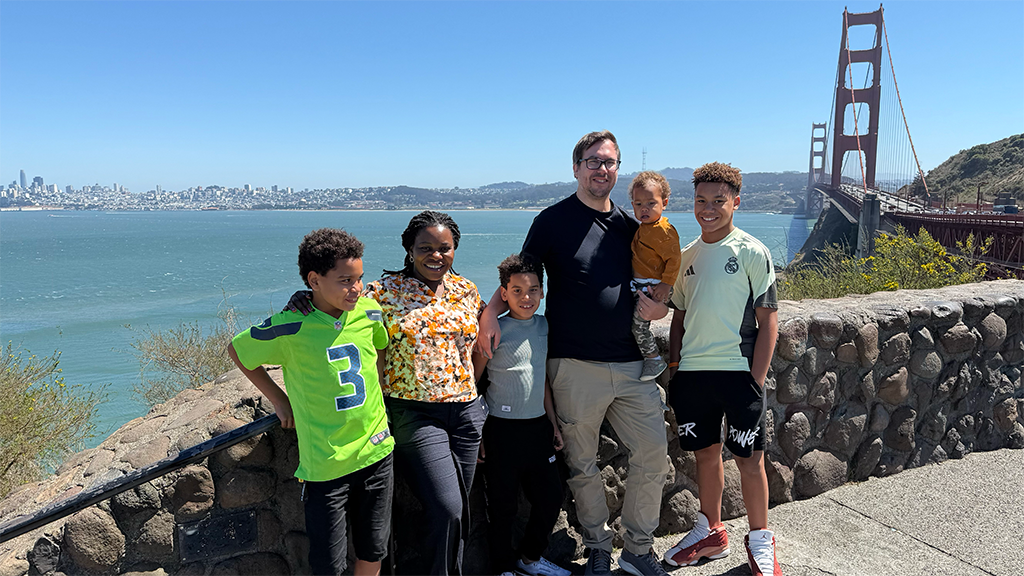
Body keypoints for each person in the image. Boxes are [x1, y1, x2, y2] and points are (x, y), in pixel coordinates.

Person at [479, 131, 670, 576]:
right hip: (573, 365)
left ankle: (639, 551)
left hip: (631, 364)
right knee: (582, 464)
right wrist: (490, 312)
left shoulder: (631, 226)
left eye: (609, 162)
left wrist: (662, 303)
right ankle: (599, 548)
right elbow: (520, 274)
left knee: (653, 454)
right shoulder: (552, 220)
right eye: (592, 161)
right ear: (576, 167)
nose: (601, 169)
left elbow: (656, 278)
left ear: (617, 170)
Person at [228, 228, 394, 576]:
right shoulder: (292, 324)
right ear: (314, 281)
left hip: (377, 451)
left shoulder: (370, 311)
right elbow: (238, 350)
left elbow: (379, 346)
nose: (356, 288)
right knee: (328, 564)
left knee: (373, 549)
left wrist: (378, 378)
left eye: (360, 278)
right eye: (345, 280)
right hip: (325, 465)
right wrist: (278, 398)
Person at [661, 162, 782, 576]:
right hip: (694, 375)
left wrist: (756, 381)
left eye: (718, 200)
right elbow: (678, 319)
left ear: (736, 202)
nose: (708, 208)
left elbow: (769, 322)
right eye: (700, 200)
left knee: (750, 459)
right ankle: (710, 532)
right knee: (706, 457)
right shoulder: (686, 257)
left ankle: (761, 539)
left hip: (738, 374)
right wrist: (676, 370)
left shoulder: (752, 251)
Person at [470, 254, 569, 576]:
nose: (526, 298)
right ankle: (502, 568)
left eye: (533, 290)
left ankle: (529, 558)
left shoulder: (544, 325)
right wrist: (479, 432)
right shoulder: (492, 330)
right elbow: (474, 381)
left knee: (552, 496)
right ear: (504, 293)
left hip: (538, 427)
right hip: (500, 430)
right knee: (502, 508)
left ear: (542, 292)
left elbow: (542, 381)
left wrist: (552, 422)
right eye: (516, 291)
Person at [627, 171, 681, 381]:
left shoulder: (664, 230)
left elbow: (674, 260)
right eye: (638, 204)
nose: (644, 209)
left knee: (638, 325)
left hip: (655, 287)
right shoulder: (645, 228)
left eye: (650, 203)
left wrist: (666, 285)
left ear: (664, 202)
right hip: (642, 285)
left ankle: (653, 358)